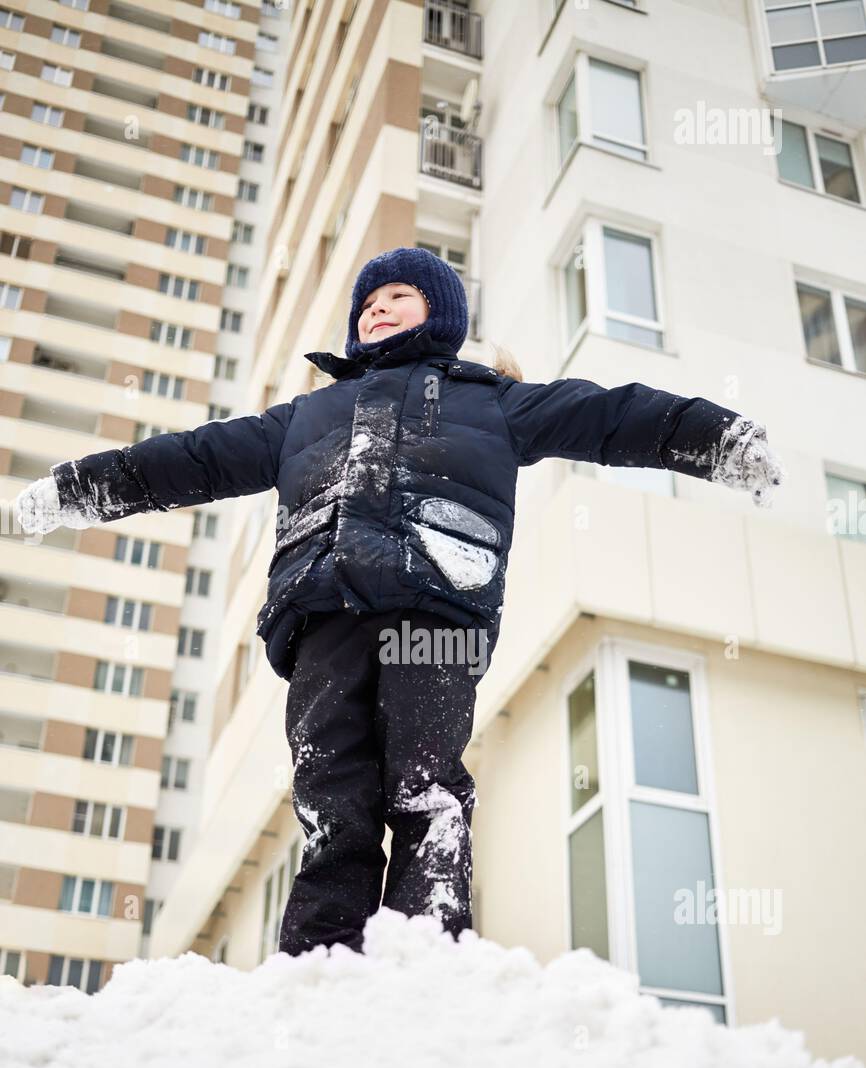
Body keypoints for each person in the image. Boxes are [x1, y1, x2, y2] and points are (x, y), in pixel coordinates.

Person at [15, 247, 784, 956]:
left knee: (425, 784)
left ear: (441, 315)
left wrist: (718, 441)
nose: (375, 310)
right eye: (367, 302)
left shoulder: (493, 403)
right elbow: (193, 457)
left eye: (398, 296)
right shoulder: (306, 418)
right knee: (331, 798)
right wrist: (77, 490)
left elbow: (613, 415)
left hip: (436, 615)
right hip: (323, 621)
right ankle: (318, 964)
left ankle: (426, 958)